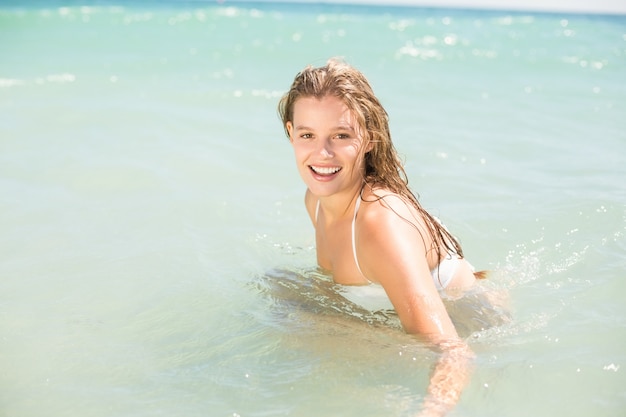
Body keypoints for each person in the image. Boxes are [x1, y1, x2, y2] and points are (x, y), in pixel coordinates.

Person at [277, 58, 491, 416]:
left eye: (341, 136)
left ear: (369, 140)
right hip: (403, 310)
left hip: (471, 321)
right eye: (307, 135)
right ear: (291, 133)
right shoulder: (316, 198)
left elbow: (455, 353)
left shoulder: (380, 225)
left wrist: (430, 411)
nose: (322, 153)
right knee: (278, 291)